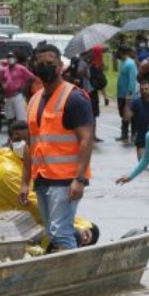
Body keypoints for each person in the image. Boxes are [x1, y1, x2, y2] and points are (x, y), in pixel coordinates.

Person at [19, 43, 95, 251]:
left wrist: (79, 179)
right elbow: (30, 144)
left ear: (61, 66)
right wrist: (25, 182)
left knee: (59, 232)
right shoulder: (34, 100)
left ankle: (73, 275)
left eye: (50, 63)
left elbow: (86, 140)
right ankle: (81, 237)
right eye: (40, 64)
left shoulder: (74, 98)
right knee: (52, 231)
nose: (45, 67)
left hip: (66, 180)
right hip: (42, 178)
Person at [0, 121, 98, 248]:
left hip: (32, 223)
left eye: (27, 139)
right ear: (9, 141)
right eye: (17, 139)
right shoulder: (7, 170)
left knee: (91, 230)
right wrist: (77, 227)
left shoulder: (30, 161)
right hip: (18, 228)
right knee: (74, 235)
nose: (23, 144)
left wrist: (82, 224)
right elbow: (34, 207)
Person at [1, 51, 34, 125]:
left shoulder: (21, 68)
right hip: (8, 96)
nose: (10, 59)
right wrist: (4, 86)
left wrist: (24, 86)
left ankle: (23, 133)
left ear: (15, 59)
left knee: (21, 117)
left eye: (12, 57)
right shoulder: (4, 69)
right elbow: (3, 80)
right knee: (9, 117)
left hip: (18, 95)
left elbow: (31, 77)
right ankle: (11, 133)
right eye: (9, 57)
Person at [115, 44, 137, 143]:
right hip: (120, 93)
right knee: (123, 113)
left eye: (119, 52)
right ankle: (124, 134)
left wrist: (129, 94)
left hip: (127, 94)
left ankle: (132, 133)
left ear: (122, 53)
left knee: (129, 113)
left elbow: (132, 80)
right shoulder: (122, 63)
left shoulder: (130, 63)